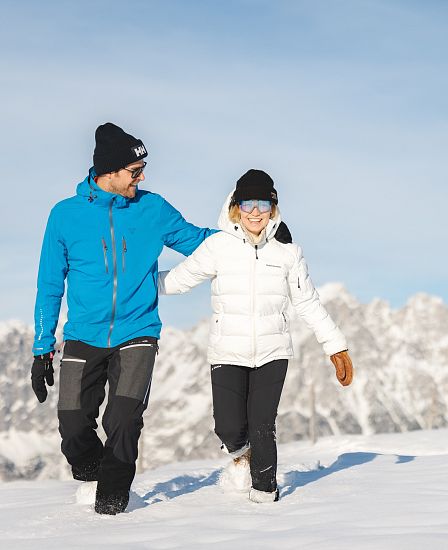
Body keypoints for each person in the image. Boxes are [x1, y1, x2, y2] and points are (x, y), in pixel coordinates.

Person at [31, 123, 216, 515]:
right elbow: (49, 284)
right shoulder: (65, 216)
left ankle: (112, 506)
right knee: (73, 424)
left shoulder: (153, 208)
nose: (142, 176)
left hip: (138, 332)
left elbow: (198, 240)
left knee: (124, 419)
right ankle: (95, 477)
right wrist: (42, 347)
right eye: (135, 170)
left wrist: (252, 232)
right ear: (109, 172)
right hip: (83, 334)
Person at [159, 169, 354, 503]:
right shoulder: (218, 246)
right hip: (226, 352)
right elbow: (178, 280)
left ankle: (265, 495)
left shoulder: (287, 252)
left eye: (262, 203)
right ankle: (241, 454)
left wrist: (335, 346)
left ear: (272, 208)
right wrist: (129, 283)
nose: (254, 211)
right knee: (229, 428)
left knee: (263, 425)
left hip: (272, 351)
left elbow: (307, 302)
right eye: (247, 202)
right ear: (236, 206)